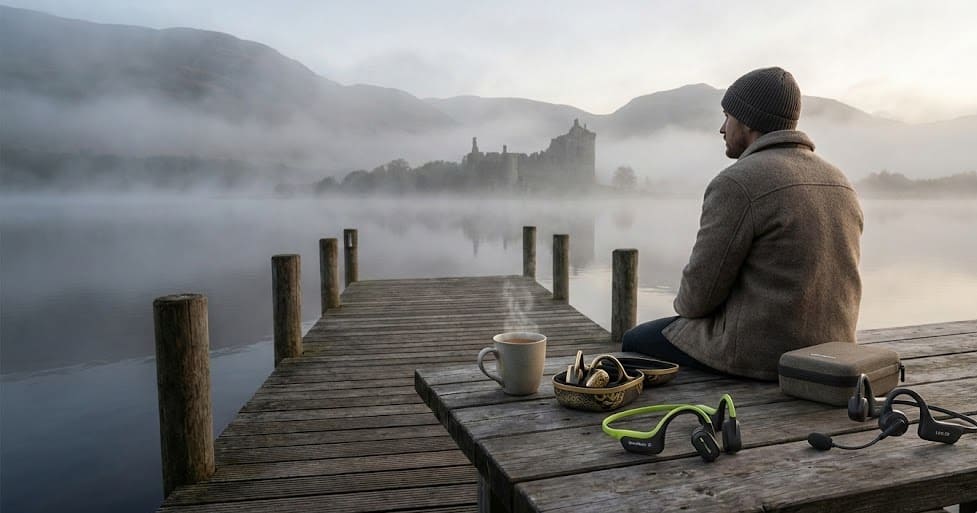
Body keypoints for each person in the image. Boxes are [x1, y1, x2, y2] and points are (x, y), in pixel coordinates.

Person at [622, 67, 863, 381]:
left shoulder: (737, 183)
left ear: (748, 121)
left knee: (634, 341)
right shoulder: (840, 180)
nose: (722, 128)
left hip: (764, 356)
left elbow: (698, 299)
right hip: (834, 351)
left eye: (727, 116)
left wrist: (688, 309)